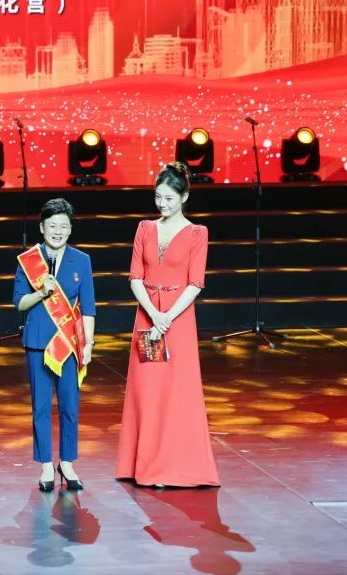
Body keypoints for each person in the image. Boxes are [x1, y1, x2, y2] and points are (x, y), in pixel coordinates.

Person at [115, 162, 220, 488]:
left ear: (184, 196)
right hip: (148, 317)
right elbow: (135, 277)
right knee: (147, 391)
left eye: (169, 198)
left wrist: (168, 317)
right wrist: (154, 315)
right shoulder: (145, 228)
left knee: (176, 392)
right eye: (158, 197)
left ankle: (172, 468)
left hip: (179, 320)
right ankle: (142, 465)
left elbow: (195, 283)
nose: (162, 203)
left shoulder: (197, 233)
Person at [13, 198, 96, 491]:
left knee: (70, 406)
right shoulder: (28, 261)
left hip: (69, 344)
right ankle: (46, 465)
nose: (57, 231)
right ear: (42, 227)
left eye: (63, 226)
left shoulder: (82, 260)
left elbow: (88, 307)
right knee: (41, 407)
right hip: (38, 342)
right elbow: (19, 303)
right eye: (52, 226)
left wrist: (88, 344)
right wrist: (41, 292)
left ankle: (67, 462)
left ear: (70, 229)